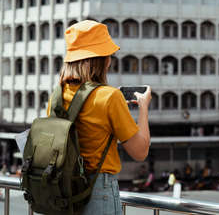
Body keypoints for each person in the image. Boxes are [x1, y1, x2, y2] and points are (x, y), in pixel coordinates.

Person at [47, 20, 151, 215]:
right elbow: (140, 151)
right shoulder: (110, 96)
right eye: (109, 55)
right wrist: (144, 108)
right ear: (102, 59)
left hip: (61, 190)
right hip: (96, 191)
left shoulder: (57, 96)